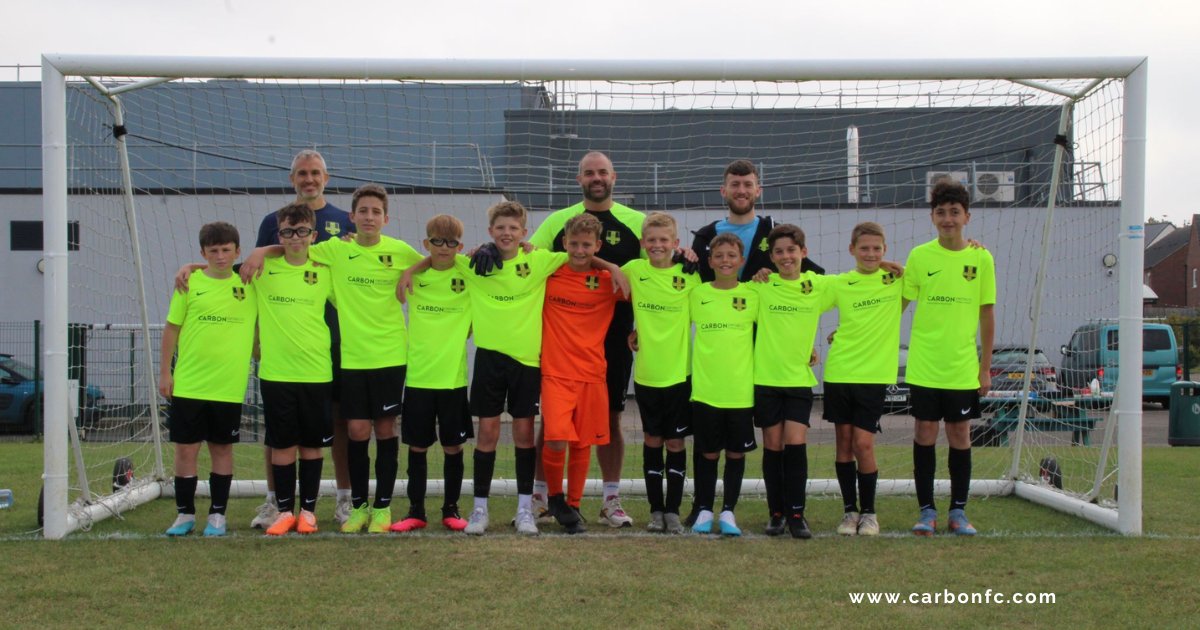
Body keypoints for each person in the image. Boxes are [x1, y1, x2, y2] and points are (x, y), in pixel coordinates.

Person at [244, 184, 423, 534]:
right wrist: (259, 251)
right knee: (355, 429)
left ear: (386, 218)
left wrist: (409, 272)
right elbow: (295, 244)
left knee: (385, 429)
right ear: (351, 218)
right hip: (352, 358)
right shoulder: (333, 252)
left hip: (389, 354)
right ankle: (357, 506)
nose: (369, 217)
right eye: (363, 211)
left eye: (376, 212)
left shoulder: (400, 251)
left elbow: (440, 262)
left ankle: (383, 508)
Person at [528, 151, 644, 528]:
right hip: (562, 340)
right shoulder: (558, 222)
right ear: (579, 179)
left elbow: (652, 273)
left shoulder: (636, 222)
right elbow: (529, 258)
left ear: (615, 176)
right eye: (589, 173)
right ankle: (542, 497)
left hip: (613, 339)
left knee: (609, 421)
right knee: (554, 423)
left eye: (603, 172)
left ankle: (610, 499)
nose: (597, 178)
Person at [251, 149, 355, 529]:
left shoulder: (345, 220)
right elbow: (258, 267)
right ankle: (273, 500)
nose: (308, 179)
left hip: (335, 340)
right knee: (278, 430)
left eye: (315, 173)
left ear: (326, 178)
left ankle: (343, 499)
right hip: (285, 343)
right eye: (301, 174)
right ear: (292, 178)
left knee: (338, 421)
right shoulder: (271, 222)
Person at [904, 180, 996, 536]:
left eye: (954, 212)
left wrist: (984, 367)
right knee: (925, 432)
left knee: (960, 435)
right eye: (941, 212)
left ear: (967, 217)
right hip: (925, 365)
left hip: (961, 367)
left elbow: (987, 316)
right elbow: (898, 301)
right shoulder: (919, 256)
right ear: (932, 217)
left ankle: (958, 511)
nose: (947, 218)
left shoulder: (981, 257)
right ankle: (926, 510)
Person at [158, 222, 257, 537]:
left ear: (237, 251)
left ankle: (217, 515)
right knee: (186, 450)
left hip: (228, 386)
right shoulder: (190, 283)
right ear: (203, 253)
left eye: (226, 250)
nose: (220, 256)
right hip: (189, 383)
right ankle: (184, 514)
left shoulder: (250, 283)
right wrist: (165, 372)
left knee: (221, 449)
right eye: (213, 251)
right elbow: (172, 329)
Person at [246, 203, 335, 535]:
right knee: (282, 445)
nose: (295, 238)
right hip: (276, 373)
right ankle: (284, 511)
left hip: (316, 372)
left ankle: (308, 512)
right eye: (287, 232)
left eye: (301, 232)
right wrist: (189, 265)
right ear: (278, 235)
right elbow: (219, 266)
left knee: (312, 445)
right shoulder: (261, 269)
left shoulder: (327, 270)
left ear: (313, 235)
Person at [749, 224, 834, 539]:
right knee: (772, 446)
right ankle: (776, 514)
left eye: (791, 250)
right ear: (771, 257)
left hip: (799, 380)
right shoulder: (761, 285)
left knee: (796, 444)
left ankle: (797, 514)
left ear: (804, 253)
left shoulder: (818, 285)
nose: (786, 256)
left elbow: (857, 285)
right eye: (780, 252)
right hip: (766, 380)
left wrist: (888, 266)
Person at [390, 214, 475, 533]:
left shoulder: (468, 271)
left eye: (451, 242)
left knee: (453, 447)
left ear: (460, 246)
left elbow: (496, 259)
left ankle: (451, 509)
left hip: (452, 380)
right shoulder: (412, 273)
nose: (444, 247)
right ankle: (416, 511)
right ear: (426, 244)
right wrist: (412, 269)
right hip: (418, 379)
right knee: (417, 447)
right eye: (437, 241)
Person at [539, 213, 621, 534]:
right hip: (556, 373)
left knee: (583, 443)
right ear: (564, 243)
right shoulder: (549, 273)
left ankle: (573, 506)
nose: (579, 250)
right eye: (573, 243)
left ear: (597, 245)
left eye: (587, 245)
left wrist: (612, 268)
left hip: (592, 374)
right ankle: (555, 498)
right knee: (557, 437)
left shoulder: (608, 281)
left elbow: (646, 296)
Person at [822, 222, 903, 539]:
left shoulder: (894, 278)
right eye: (864, 248)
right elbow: (805, 291)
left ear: (884, 250)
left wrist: (887, 264)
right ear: (852, 250)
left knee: (863, 443)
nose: (870, 253)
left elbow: (925, 272)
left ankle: (869, 513)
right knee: (843, 444)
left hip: (873, 376)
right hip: (840, 372)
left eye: (877, 248)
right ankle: (849, 512)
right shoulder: (841, 283)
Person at [623, 212, 699, 534]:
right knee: (652, 440)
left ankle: (673, 511)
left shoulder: (690, 275)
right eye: (651, 240)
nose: (657, 245)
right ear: (643, 243)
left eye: (663, 240)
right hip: (647, 375)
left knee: (676, 443)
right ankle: (655, 510)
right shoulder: (633, 270)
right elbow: (604, 268)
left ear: (676, 244)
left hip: (680, 375)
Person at [688, 234, 758, 536]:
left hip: (740, 391)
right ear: (710, 260)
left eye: (732, 255)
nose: (726, 261)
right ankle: (704, 508)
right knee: (707, 453)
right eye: (719, 256)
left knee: (735, 454)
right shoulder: (696, 293)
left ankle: (729, 511)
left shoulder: (756, 293)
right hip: (705, 390)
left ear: (741, 261)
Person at [690, 159, 824, 282]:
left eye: (748, 185)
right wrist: (681, 257)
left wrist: (776, 278)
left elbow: (815, 275)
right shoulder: (705, 237)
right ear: (723, 191)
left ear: (758, 191)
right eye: (735, 184)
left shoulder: (775, 233)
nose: (741, 191)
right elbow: (688, 278)